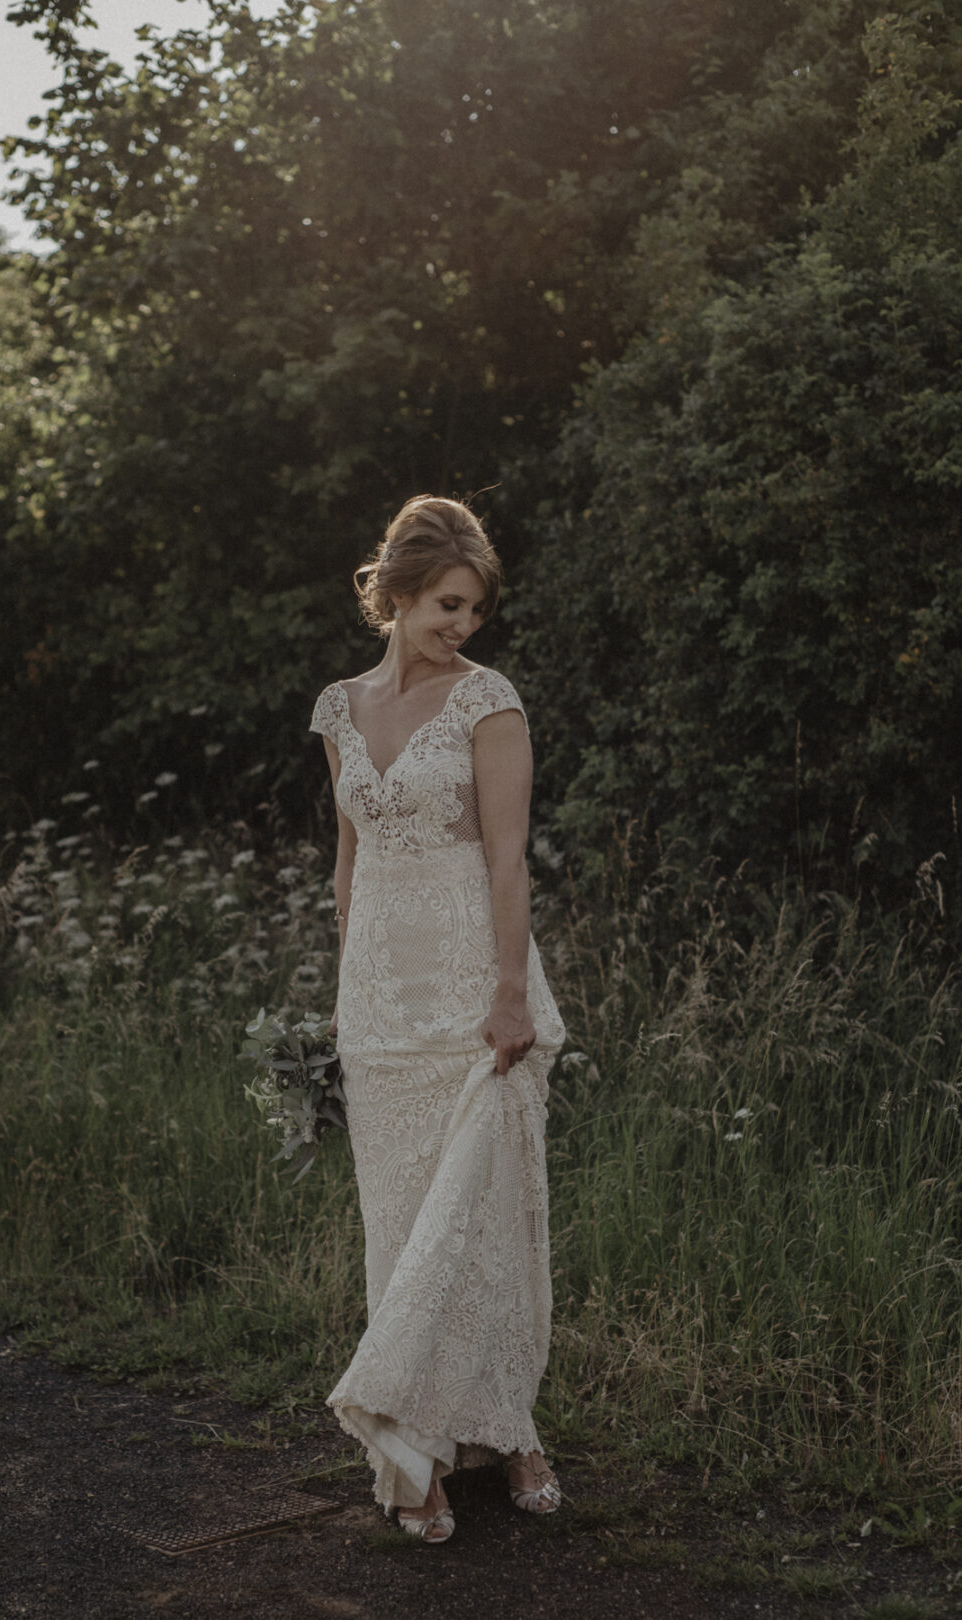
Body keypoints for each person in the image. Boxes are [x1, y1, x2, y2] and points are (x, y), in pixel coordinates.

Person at [309, 495, 565, 1544]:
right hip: (378, 997)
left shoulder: (487, 701)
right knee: (403, 1226)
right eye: (449, 605)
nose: (464, 625)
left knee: (486, 1221)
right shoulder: (338, 708)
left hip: (474, 988)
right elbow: (348, 858)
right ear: (400, 591)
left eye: (475, 609)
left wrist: (509, 991)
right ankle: (410, 1454)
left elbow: (507, 856)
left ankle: (514, 1435)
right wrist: (346, 984)